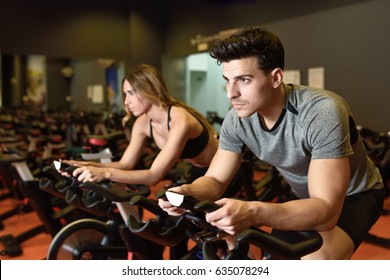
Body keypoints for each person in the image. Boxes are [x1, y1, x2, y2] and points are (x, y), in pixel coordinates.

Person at [158, 27, 385, 259]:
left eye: (243, 80)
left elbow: (326, 211)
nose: (231, 93)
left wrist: (254, 211)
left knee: (315, 260)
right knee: (274, 256)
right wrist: (189, 192)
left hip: (356, 194)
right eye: (227, 80)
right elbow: (215, 180)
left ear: (275, 77)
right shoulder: (236, 120)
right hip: (306, 196)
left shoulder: (321, 111)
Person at [60, 63, 239, 259]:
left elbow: (154, 176)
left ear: (148, 89)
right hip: (198, 172)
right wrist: (84, 166)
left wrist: (104, 173)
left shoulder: (180, 119)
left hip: (225, 174)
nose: (126, 102)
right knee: (173, 223)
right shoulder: (143, 123)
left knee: (184, 221)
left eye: (130, 94)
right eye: (125, 95)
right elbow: (125, 164)